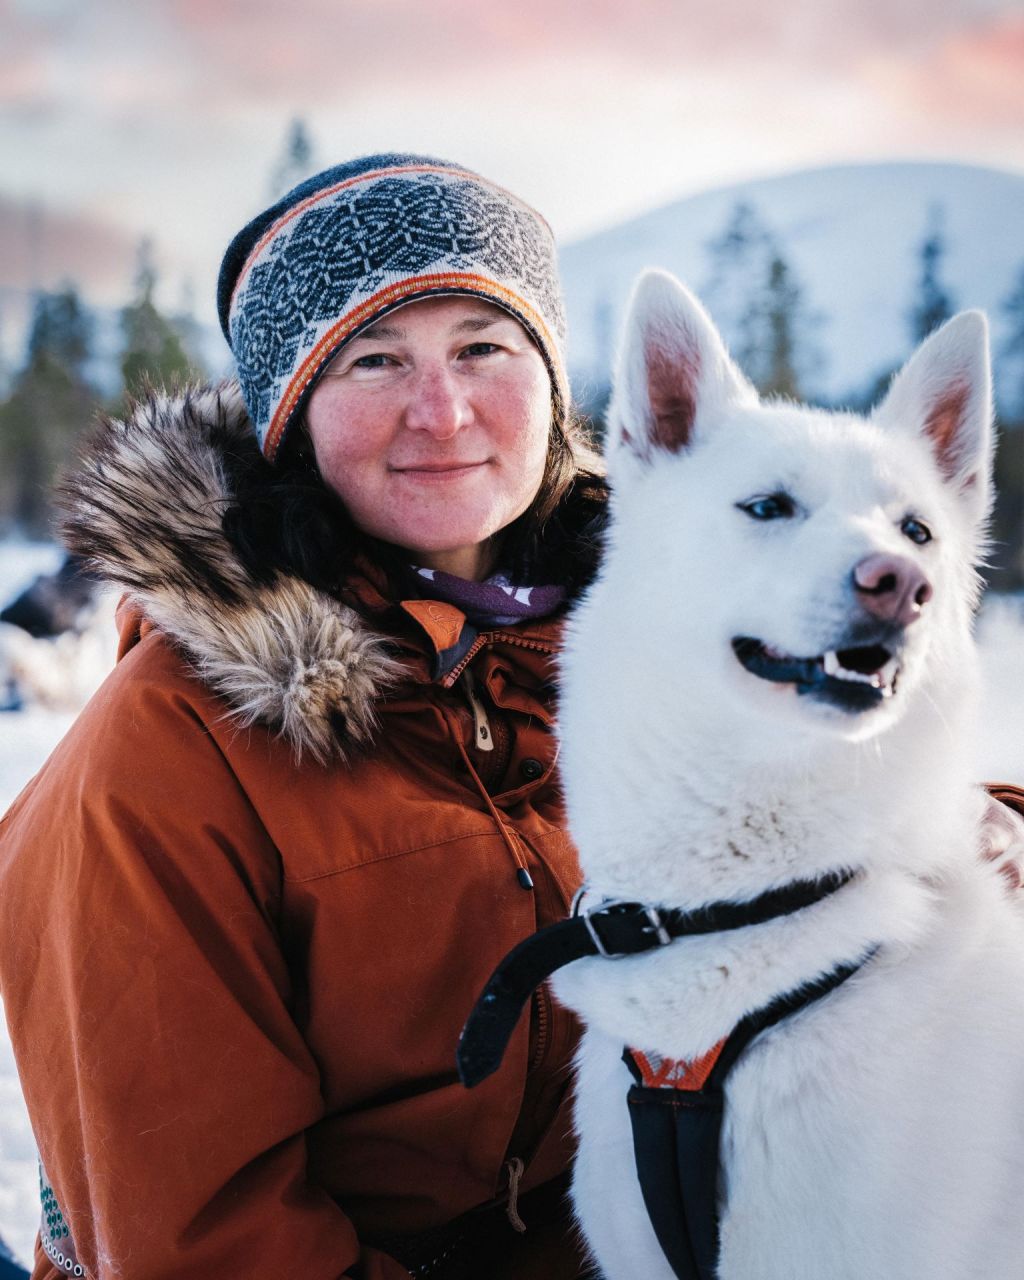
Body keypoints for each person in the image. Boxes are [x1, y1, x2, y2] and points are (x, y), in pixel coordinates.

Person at [0, 151, 1020, 1280]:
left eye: (484, 348)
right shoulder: (161, 757)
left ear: (551, 380)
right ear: (289, 415)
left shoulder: (661, 628)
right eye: (374, 359)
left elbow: (827, 818)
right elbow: (195, 1240)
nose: (441, 411)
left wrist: (990, 832)